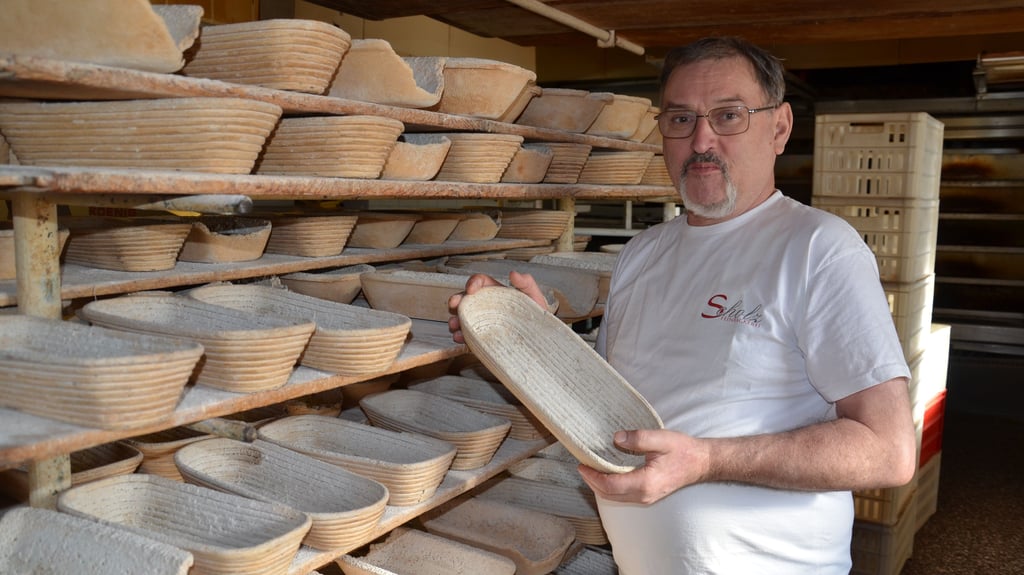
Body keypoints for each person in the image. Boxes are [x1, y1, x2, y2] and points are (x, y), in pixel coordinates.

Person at [449, 36, 917, 574]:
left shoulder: (819, 249)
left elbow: (888, 450)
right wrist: (533, 340)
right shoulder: (642, 254)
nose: (701, 140)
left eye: (728, 116)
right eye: (680, 119)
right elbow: (608, 407)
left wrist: (706, 461)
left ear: (780, 127)